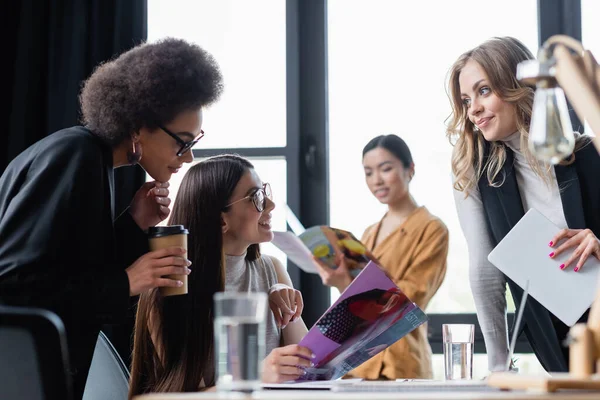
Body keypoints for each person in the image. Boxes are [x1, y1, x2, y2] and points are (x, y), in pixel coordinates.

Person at [0, 37, 223, 398]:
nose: (188, 158)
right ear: (138, 124)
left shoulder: (88, 158)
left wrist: (134, 222)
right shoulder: (77, 155)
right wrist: (127, 282)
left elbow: (70, 269)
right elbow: (12, 283)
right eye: (182, 142)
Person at [446, 36, 600, 373]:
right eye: (466, 99)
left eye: (484, 91)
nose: (473, 109)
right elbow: (484, 272)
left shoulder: (590, 155)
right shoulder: (476, 173)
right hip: (555, 345)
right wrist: (500, 365)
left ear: (518, 86)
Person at [129, 155, 312, 396]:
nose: (270, 205)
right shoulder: (169, 285)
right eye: (257, 197)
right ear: (221, 219)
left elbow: (308, 368)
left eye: (265, 192)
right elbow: (175, 395)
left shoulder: (273, 270)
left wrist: (291, 315)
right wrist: (253, 377)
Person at [313, 134, 449, 379]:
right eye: (368, 172)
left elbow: (408, 302)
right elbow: (356, 308)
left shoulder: (432, 229)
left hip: (402, 363)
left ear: (410, 169)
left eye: (385, 169)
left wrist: (346, 284)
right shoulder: (369, 233)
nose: (377, 180)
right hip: (359, 362)